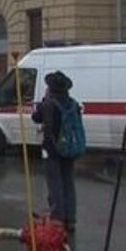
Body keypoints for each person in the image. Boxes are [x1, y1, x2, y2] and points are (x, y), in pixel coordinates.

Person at [32, 71, 81, 232]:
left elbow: (36, 117)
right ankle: (70, 219)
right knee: (68, 182)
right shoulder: (73, 103)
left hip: (52, 149)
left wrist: (44, 101)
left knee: (55, 184)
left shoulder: (49, 104)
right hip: (69, 148)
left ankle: (57, 218)